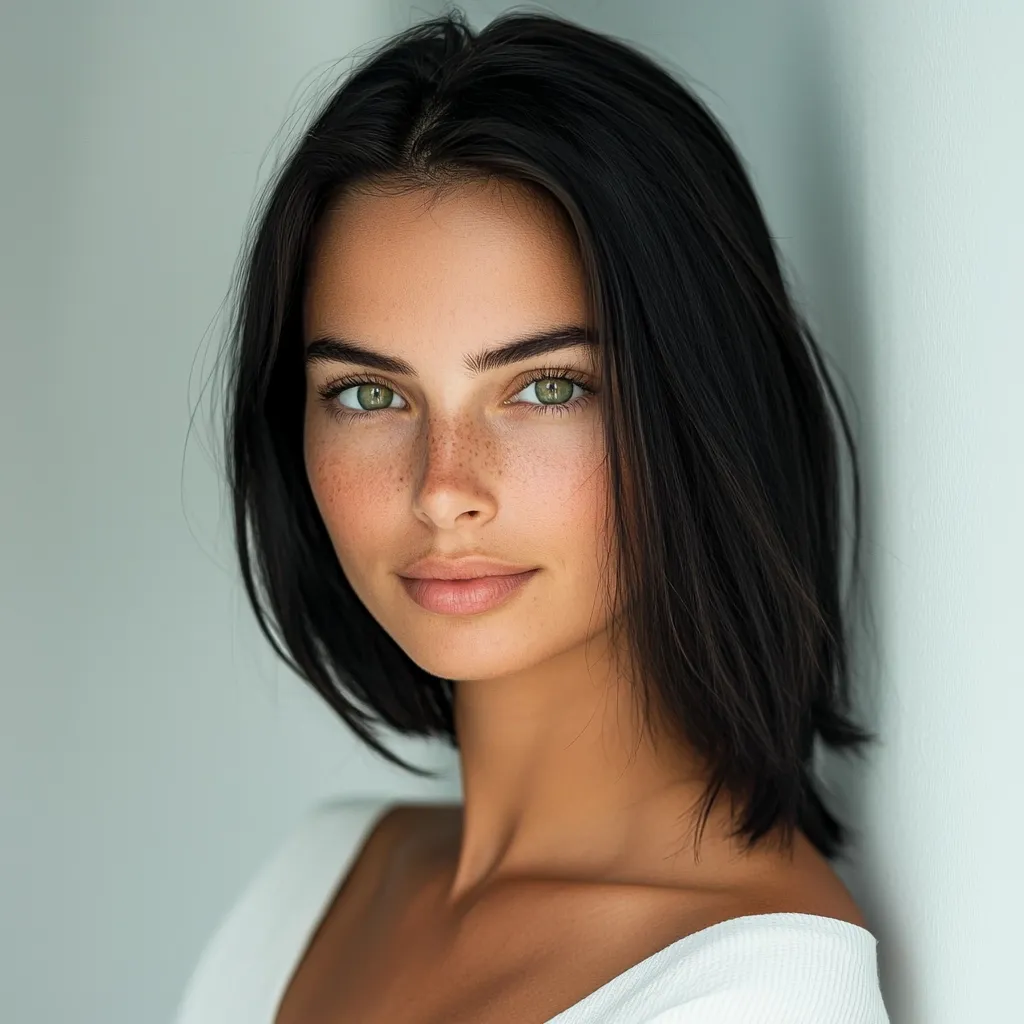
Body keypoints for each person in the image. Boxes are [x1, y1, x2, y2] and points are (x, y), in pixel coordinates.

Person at [174, 9, 890, 1022]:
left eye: (547, 387)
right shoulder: (318, 877)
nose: (442, 486)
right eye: (369, 395)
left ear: (697, 403)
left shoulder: (751, 995)